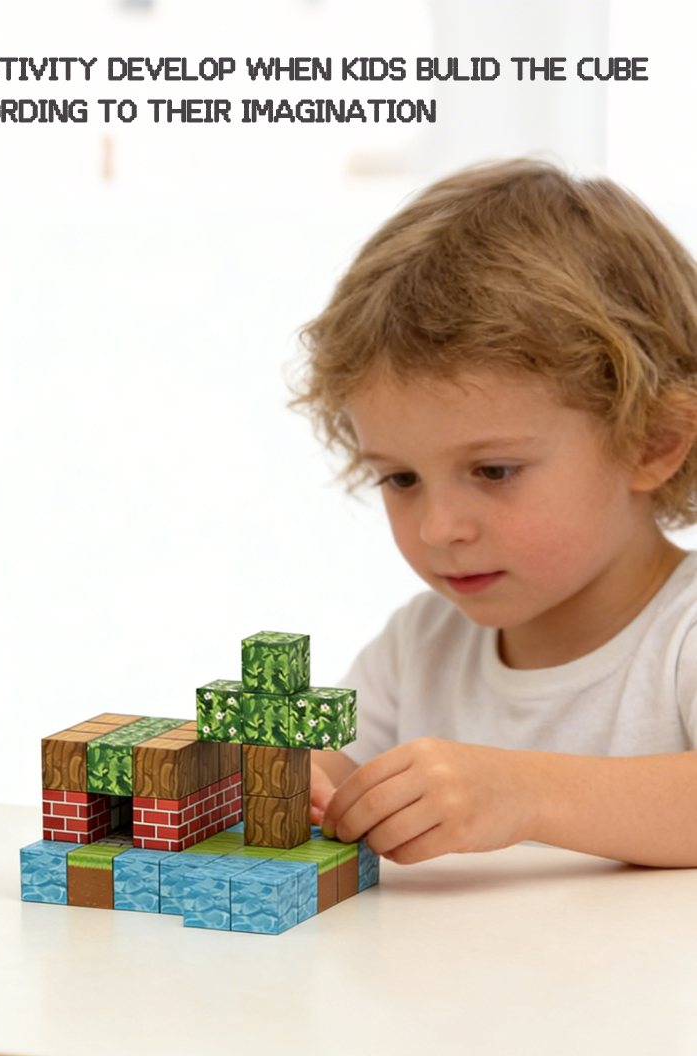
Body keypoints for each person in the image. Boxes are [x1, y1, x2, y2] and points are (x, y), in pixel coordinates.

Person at [290, 157, 697, 868]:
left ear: (652, 442)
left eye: (494, 470)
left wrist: (525, 793)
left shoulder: (681, 640)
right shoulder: (419, 649)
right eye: (402, 477)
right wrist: (302, 784)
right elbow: (334, 775)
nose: (438, 527)